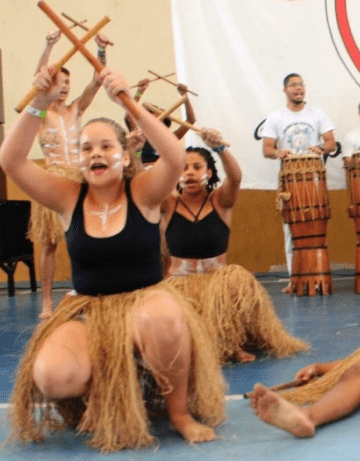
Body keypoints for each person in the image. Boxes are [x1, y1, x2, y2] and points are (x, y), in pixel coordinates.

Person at [2, 66, 225, 451]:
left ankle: (179, 413)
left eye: (106, 146)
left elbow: (173, 157)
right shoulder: (68, 196)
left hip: (145, 300)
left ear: (124, 156)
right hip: (88, 307)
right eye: (87, 148)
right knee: (53, 376)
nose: (96, 153)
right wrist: (38, 102)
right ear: (80, 159)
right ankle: (103, 393)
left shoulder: (142, 192)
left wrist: (130, 103)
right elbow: (12, 161)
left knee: (164, 318)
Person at [162, 128, 309, 362]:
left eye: (197, 167)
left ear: (209, 173)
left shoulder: (220, 202)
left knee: (238, 281)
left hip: (218, 285)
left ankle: (231, 342)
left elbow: (236, 177)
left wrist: (220, 147)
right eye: (184, 168)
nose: (189, 173)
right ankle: (205, 345)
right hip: (179, 285)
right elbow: (144, 183)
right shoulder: (168, 204)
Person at [28, 30, 110, 319]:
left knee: (89, 238)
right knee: (49, 243)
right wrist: (49, 45)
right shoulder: (40, 114)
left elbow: (97, 80)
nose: (63, 87)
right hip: (52, 181)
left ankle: (89, 291)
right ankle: (48, 302)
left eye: (67, 83)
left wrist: (100, 52)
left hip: (79, 180)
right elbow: (38, 78)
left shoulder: (76, 108)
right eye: (58, 82)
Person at [260, 73, 336, 293]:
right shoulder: (276, 117)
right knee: (291, 230)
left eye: (301, 85)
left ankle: (319, 276)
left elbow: (331, 142)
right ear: (285, 90)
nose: (298, 89)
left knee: (316, 228)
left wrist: (321, 148)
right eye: (293, 85)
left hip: (314, 180)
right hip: (290, 180)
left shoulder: (317, 114)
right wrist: (278, 151)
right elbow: (267, 148)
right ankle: (295, 279)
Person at [126, 78, 196, 167]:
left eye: (152, 112)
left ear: (163, 122)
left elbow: (190, 121)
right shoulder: (138, 135)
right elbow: (129, 114)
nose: (149, 115)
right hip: (140, 173)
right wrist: (140, 92)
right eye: (148, 113)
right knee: (136, 154)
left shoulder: (169, 138)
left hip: (162, 177)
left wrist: (184, 96)